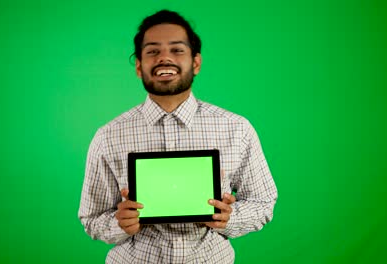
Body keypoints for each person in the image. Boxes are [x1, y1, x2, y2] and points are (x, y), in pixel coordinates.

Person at [78, 9, 278, 264]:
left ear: (196, 62)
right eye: (152, 51)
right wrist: (120, 223)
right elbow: (91, 218)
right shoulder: (108, 136)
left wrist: (230, 217)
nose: (164, 58)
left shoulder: (236, 128)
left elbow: (263, 202)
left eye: (177, 50)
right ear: (139, 66)